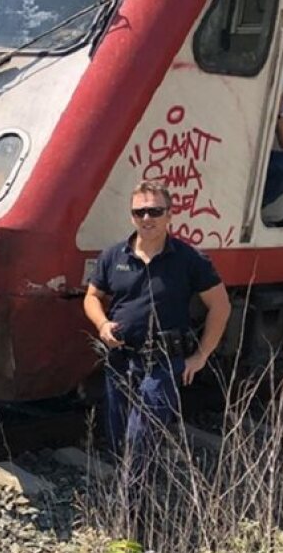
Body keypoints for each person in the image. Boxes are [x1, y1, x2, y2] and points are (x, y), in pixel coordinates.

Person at [84, 180, 231, 456]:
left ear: (170, 215)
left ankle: (134, 497)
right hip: (120, 359)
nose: (147, 218)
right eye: (140, 212)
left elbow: (220, 307)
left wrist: (201, 356)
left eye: (155, 211)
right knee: (117, 438)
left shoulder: (190, 259)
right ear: (132, 216)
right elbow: (92, 297)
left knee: (140, 439)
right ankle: (127, 492)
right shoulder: (113, 255)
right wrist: (102, 324)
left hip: (163, 362)